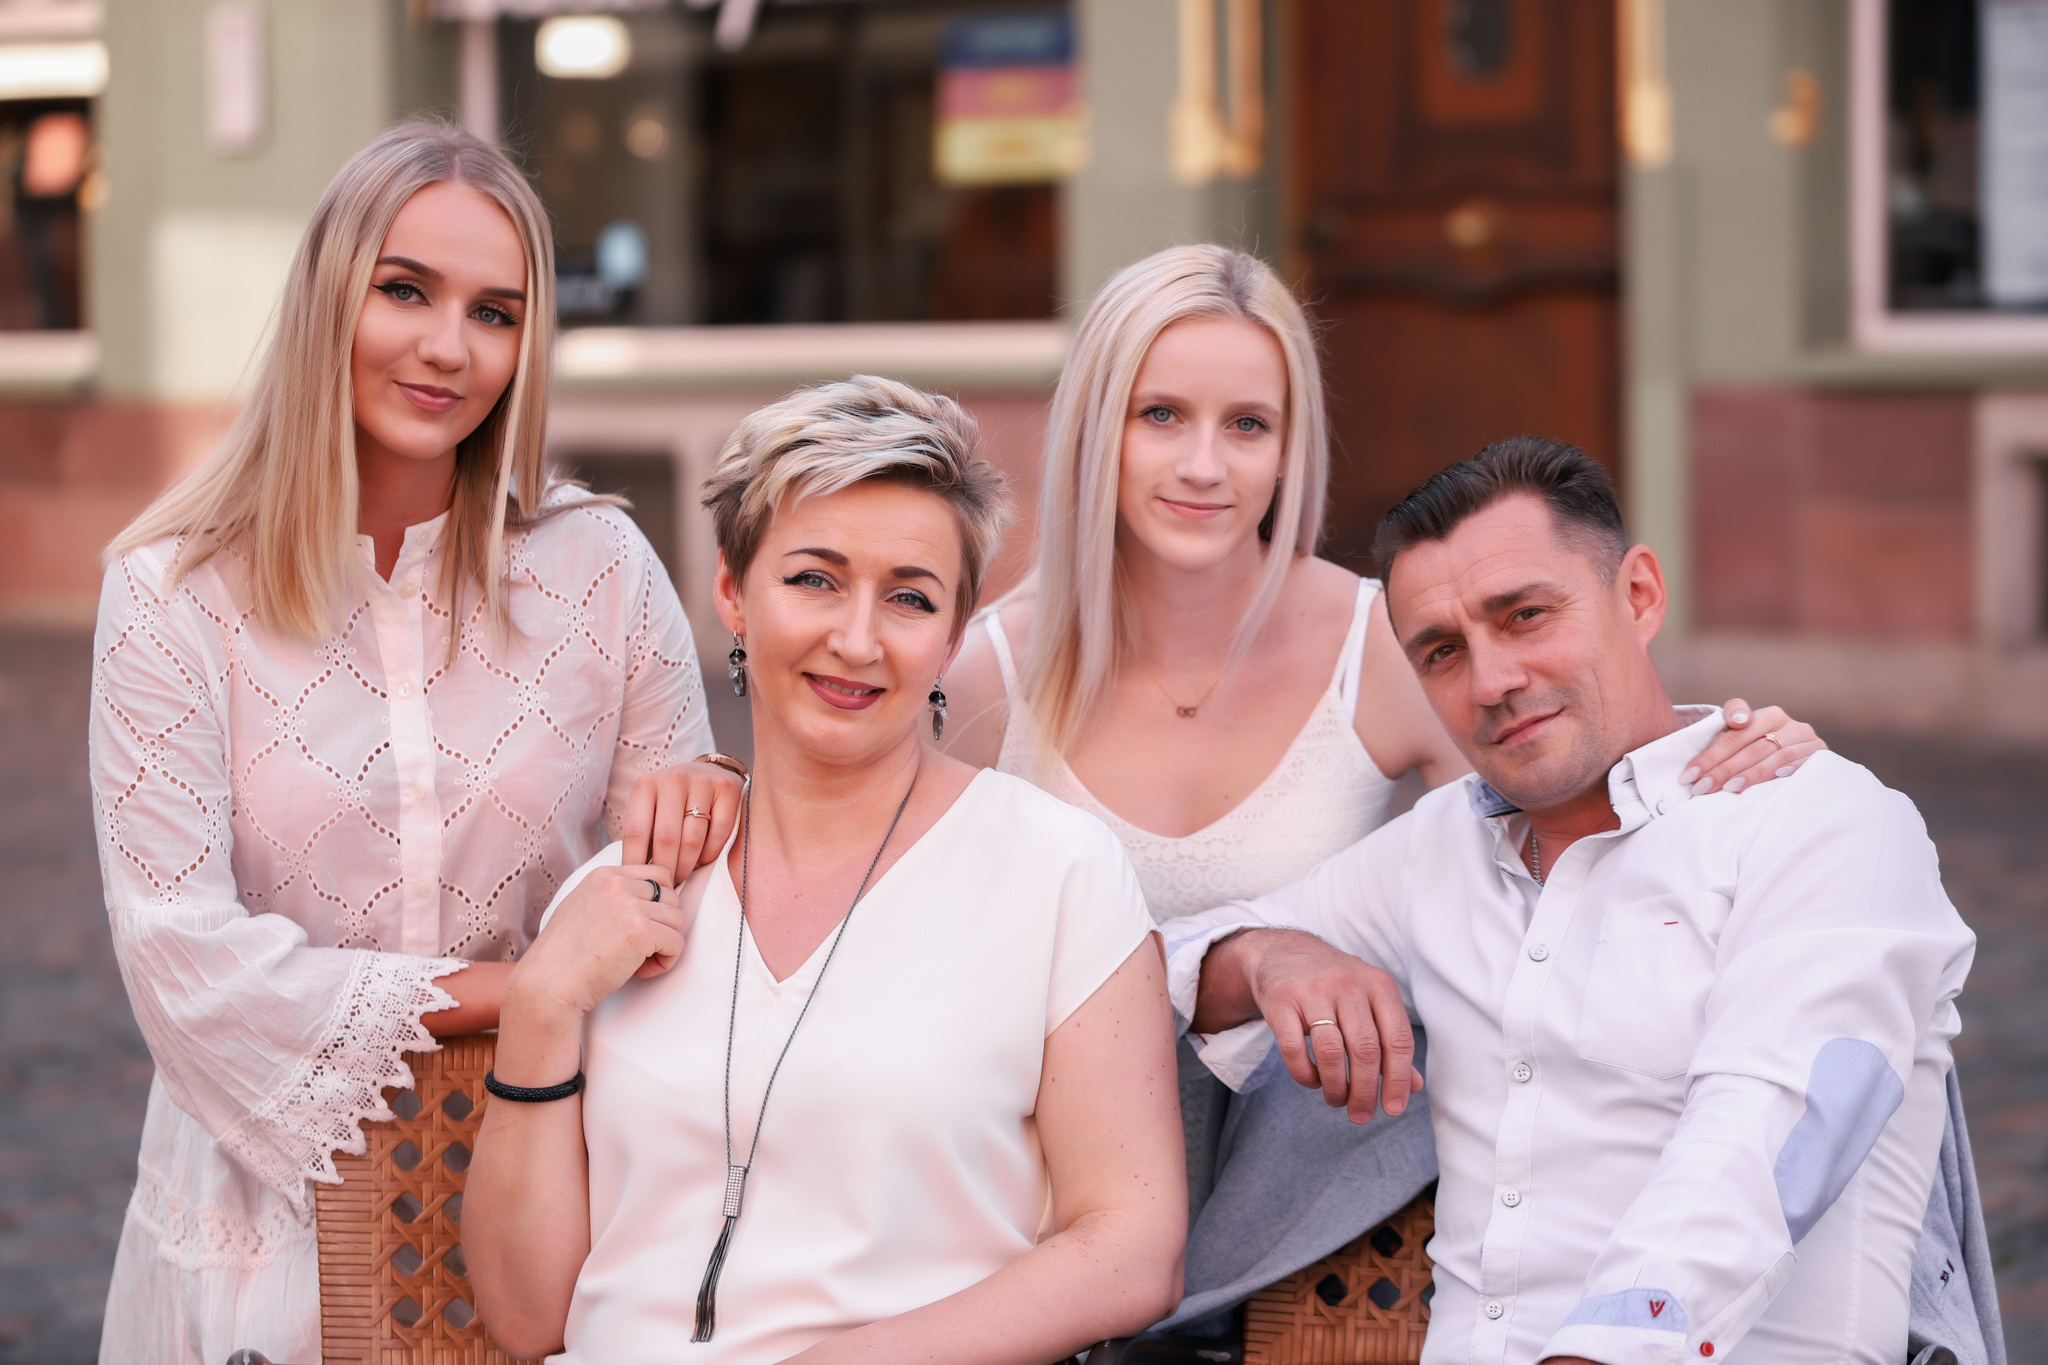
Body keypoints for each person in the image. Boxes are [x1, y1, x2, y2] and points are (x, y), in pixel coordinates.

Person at [939, 244, 1827, 1329]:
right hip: (1034, 1207)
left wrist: (1711, 752)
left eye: (1247, 425)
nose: (1204, 466)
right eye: (1159, 415)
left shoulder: (1383, 644)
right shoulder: (982, 674)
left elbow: (1567, 821)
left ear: (1290, 447)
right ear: (1093, 428)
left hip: (1304, 1233)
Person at [88, 121, 743, 1364]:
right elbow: (183, 962)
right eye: (404, 290)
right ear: (328, 295)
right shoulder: (171, 594)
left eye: (495, 313)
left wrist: (709, 802)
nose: (449, 347)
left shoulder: (601, 568)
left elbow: (672, 900)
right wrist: (527, 990)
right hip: (261, 1227)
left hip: (557, 1190)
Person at [1165, 437, 1977, 1363]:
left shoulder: (1819, 820)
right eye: (1442, 651)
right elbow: (1144, 971)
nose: (1492, 682)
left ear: (1640, 595)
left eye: (1525, 615)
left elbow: (1767, 1137)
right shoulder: (1436, 850)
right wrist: (1265, 956)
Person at [464, 376, 1187, 1363]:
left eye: (909, 598)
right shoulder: (624, 891)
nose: (855, 639)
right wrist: (540, 1008)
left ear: (951, 637)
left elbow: (1133, 1250)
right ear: (732, 593)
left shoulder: (1056, 872)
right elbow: (525, 1319)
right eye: (813, 580)